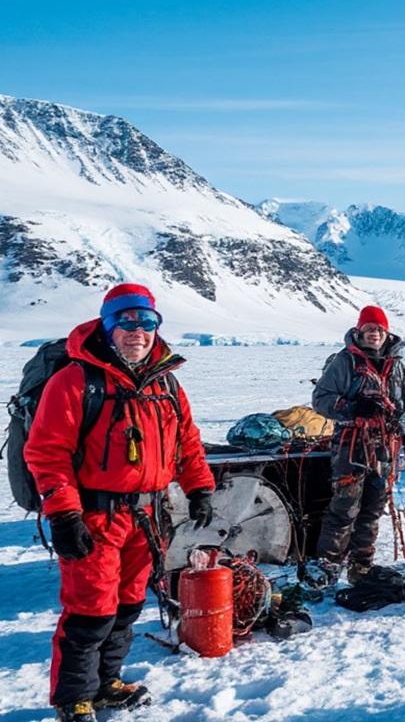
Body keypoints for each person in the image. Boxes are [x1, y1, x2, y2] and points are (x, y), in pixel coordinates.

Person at [24, 284, 215, 722]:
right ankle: (73, 697)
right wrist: (64, 514)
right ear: (108, 327)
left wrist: (199, 487)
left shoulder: (165, 381)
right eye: (125, 322)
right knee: (90, 609)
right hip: (95, 517)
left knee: (128, 606)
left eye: (146, 322)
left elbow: (186, 441)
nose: (137, 332)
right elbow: (46, 453)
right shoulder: (74, 381)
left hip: (146, 516)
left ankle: (107, 682)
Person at [310, 306, 405, 586]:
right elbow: (321, 399)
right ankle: (326, 570)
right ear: (360, 332)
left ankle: (361, 566)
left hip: (385, 446)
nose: (374, 334)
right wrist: (352, 407)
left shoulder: (398, 366)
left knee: (373, 507)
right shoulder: (344, 362)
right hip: (351, 444)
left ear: (386, 334)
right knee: (345, 507)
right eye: (369, 329)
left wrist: (404, 421)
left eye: (379, 330)